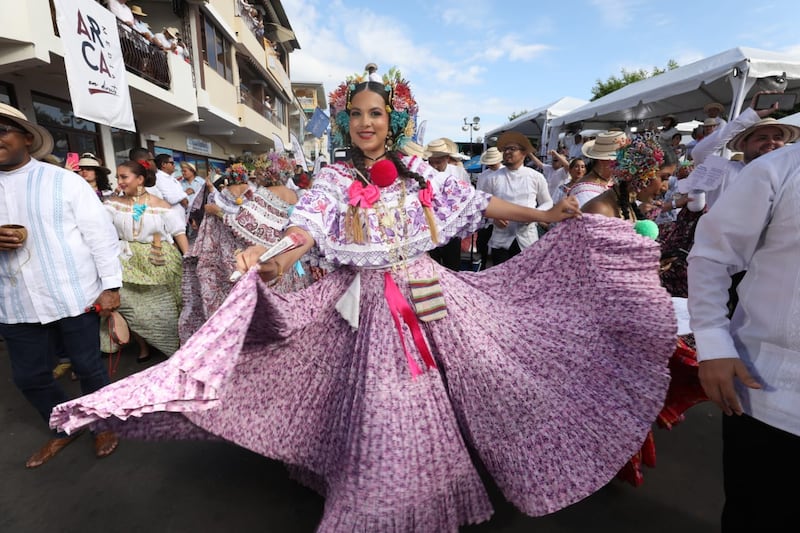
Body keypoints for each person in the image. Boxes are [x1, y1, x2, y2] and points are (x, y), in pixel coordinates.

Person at [51, 69, 676, 532]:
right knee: (375, 400)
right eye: (356, 114)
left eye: (376, 113)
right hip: (365, 307)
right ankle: (378, 499)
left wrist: (545, 213)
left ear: (394, 120)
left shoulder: (420, 172)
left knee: (490, 373)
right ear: (345, 121)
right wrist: (275, 256)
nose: (366, 123)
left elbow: (479, 204)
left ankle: (440, 483)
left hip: (431, 293)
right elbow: (307, 225)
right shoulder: (333, 177)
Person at [687, 142, 800, 532]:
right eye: (760, 136)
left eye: (776, 134)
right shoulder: (779, 168)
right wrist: (713, 344)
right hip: (774, 394)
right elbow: (711, 253)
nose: (769, 141)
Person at [0, 103, 120, 467]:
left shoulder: (63, 181)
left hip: (73, 294)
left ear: (27, 138)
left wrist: (111, 287)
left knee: (88, 366)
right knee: (29, 376)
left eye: (3, 130)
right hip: (15, 301)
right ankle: (66, 426)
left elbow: (100, 235)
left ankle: (101, 424)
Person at [179, 155, 316, 343]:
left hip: (272, 258)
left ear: (266, 173)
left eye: (258, 173)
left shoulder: (267, 193)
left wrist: (216, 212)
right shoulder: (295, 194)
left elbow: (246, 225)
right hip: (291, 260)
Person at [105, 160, 188, 362]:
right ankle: (143, 346)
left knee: (166, 306)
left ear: (140, 179)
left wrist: (190, 259)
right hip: (127, 260)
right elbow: (99, 229)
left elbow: (178, 232)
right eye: (117, 177)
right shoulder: (113, 204)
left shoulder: (160, 205)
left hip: (158, 258)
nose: (119, 181)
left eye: (124, 177)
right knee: (131, 306)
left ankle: (173, 345)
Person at [478, 131, 552, 265]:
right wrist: (494, 218)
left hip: (527, 238)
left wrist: (534, 215)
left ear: (523, 153)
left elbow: (547, 202)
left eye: (512, 149)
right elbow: (482, 205)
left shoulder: (536, 177)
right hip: (501, 239)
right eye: (505, 149)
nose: (507, 152)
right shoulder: (492, 178)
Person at [569, 130, 626, 207]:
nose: (624, 165)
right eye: (619, 161)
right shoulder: (584, 192)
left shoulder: (612, 181)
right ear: (602, 160)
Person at [153, 153, 189, 220]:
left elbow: (182, 196)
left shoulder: (172, 178)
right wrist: (186, 193)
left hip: (180, 218)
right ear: (163, 164)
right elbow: (171, 199)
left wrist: (184, 198)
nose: (174, 165)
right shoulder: (159, 178)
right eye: (172, 163)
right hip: (170, 220)